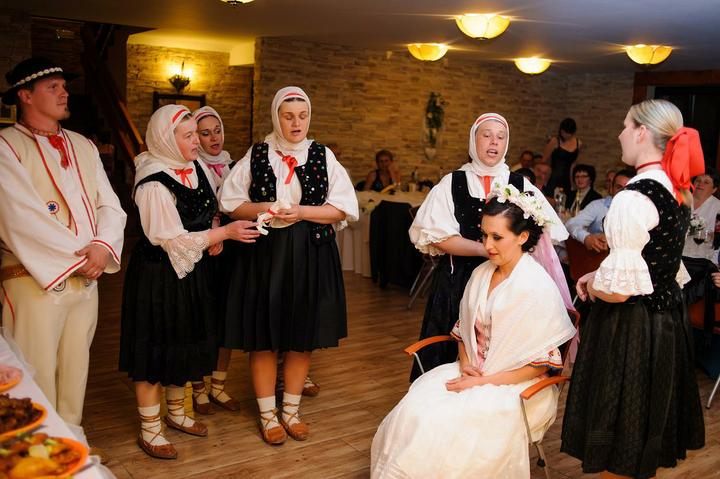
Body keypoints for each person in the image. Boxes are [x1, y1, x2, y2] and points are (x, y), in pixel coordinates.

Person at [371, 192, 576, 478]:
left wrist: (483, 381)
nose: (487, 245)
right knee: (415, 411)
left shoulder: (536, 287)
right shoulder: (481, 274)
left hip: (517, 385)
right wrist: (467, 363)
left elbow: (539, 366)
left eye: (497, 237)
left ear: (522, 236)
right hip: (473, 371)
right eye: (484, 235)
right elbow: (464, 330)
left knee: (455, 424)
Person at [561, 99, 706, 478]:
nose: (619, 135)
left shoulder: (633, 196)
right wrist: (599, 275)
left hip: (631, 327)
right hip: (666, 321)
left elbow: (621, 291)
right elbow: (656, 264)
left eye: (625, 126)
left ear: (642, 132)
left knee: (621, 433)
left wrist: (595, 287)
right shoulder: (678, 190)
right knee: (644, 427)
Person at [119, 104, 260, 459]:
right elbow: (170, 239)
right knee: (155, 347)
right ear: (167, 140)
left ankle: (177, 412)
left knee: (182, 340)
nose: (196, 141)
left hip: (192, 272)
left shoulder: (195, 167)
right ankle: (150, 429)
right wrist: (223, 234)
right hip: (158, 277)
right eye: (188, 136)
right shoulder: (153, 182)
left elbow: (206, 212)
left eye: (195, 133)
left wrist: (213, 230)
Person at [219, 86, 358, 445]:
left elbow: (343, 208)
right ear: (276, 117)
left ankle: (292, 411)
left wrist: (302, 212)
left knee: (301, 336)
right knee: (263, 337)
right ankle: (268, 415)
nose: (296, 123)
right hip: (265, 253)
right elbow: (231, 204)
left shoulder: (323, 155)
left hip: (311, 252)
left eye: (302, 115)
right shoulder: (257, 153)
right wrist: (267, 208)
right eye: (288, 116)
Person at [0, 57, 126, 426]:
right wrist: (80, 258)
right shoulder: (6, 146)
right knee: (33, 371)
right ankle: (36, 450)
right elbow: (19, 215)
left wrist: (102, 247)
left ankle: (71, 444)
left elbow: (109, 203)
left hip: (86, 278)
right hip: (33, 279)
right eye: (52, 87)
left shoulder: (83, 144)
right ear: (25, 95)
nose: (64, 93)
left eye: (64, 86)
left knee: (75, 370)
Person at [408, 112, 568, 381]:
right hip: (457, 282)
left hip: (507, 286)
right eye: (487, 135)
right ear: (474, 140)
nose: (494, 142)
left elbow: (542, 232)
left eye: (500, 137)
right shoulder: (452, 182)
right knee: (447, 356)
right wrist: (486, 250)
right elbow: (436, 236)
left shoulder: (520, 184)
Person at [185, 106, 241, 415]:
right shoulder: (190, 168)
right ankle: (198, 389)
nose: (214, 138)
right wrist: (213, 230)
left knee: (226, 319)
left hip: (230, 251)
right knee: (200, 321)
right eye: (205, 134)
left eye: (217, 131)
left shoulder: (234, 165)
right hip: (202, 250)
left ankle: (218, 385)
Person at [681, 169, 720, 346]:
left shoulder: (718, 207)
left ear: (714, 189)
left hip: (702, 260)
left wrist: (711, 236)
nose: (700, 184)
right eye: (698, 180)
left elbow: (718, 242)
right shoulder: (682, 200)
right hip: (679, 256)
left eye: (706, 182)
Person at [565, 168, 634, 252]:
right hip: (598, 256)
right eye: (619, 187)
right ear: (611, 188)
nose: (623, 192)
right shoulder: (597, 206)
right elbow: (571, 224)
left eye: (628, 188)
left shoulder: (640, 210)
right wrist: (586, 237)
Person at [542, 117, 582, 194]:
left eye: (567, 133)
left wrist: (572, 182)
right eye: (562, 132)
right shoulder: (554, 141)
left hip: (567, 178)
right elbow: (544, 160)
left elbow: (573, 164)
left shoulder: (578, 143)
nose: (564, 135)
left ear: (572, 133)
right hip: (553, 177)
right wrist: (544, 179)